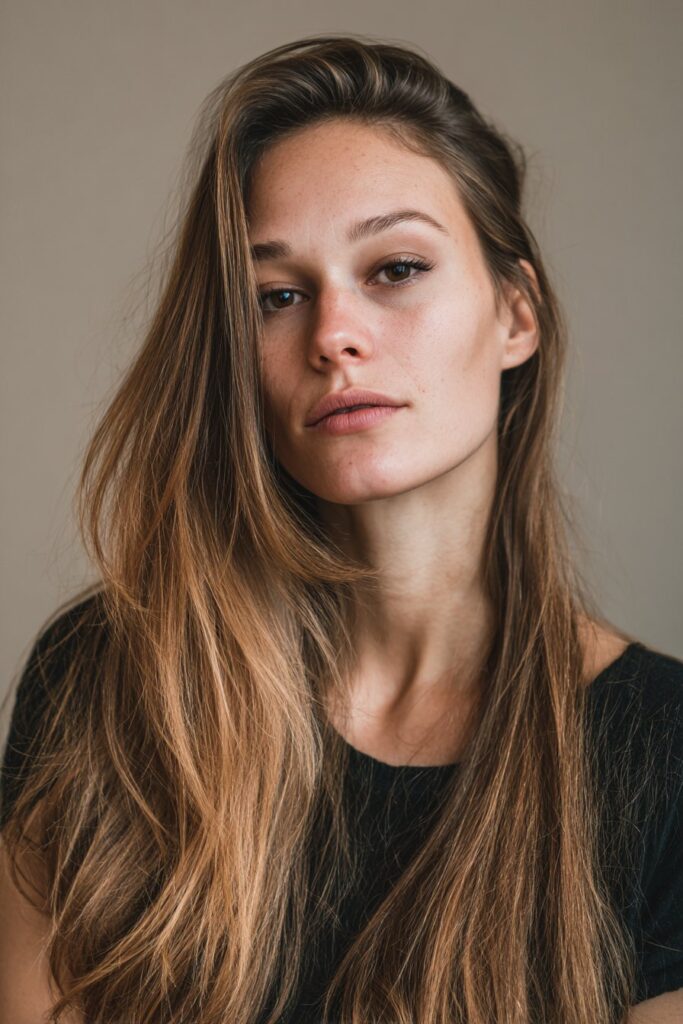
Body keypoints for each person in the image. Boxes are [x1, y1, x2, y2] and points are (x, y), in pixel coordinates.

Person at [0, 33, 681, 1024]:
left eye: (395, 268)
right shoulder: (106, 677)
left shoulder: (664, 751)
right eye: (277, 296)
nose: (331, 336)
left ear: (514, 315)